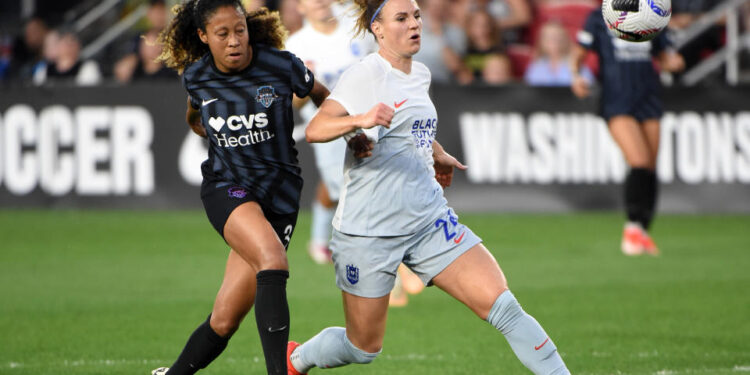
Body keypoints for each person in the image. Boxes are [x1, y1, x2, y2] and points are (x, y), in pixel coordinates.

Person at [286, 0, 571, 373]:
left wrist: (436, 153)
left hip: (427, 219)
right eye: (401, 18)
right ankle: (296, 360)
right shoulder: (366, 74)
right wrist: (361, 118)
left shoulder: (419, 74)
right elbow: (316, 129)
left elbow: (410, 126)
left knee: (504, 308)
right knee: (363, 347)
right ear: (379, 29)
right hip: (368, 230)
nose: (414, 24)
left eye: (417, 16)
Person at [149, 1, 328, 374]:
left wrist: (352, 136)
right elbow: (195, 116)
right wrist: (214, 135)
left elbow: (322, 95)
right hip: (228, 188)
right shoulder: (197, 77)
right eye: (223, 34)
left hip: (281, 196)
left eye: (240, 30)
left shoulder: (281, 65)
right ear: (203, 37)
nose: (234, 41)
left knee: (225, 320)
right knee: (273, 260)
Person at [571, 8, 684, 255]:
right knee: (639, 161)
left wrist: (673, 62)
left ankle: (643, 229)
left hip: (649, 96)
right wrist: (576, 76)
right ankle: (632, 226)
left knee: (651, 166)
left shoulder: (653, 13)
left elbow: (664, 56)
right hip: (617, 99)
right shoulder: (599, 16)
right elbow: (579, 52)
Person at [285, 0, 375, 265]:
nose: (321, 2)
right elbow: (293, 101)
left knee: (359, 180)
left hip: (368, 116)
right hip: (328, 125)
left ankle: (322, 241)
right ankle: (367, 255)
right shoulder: (297, 46)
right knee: (346, 187)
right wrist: (307, 83)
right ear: (300, 7)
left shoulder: (356, 27)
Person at [525, 20, 593, 86]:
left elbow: (589, 89)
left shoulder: (576, 63)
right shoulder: (537, 65)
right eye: (548, 37)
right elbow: (529, 91)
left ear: (565, 39)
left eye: (557, 36)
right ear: (541, 41)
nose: (553, 40)